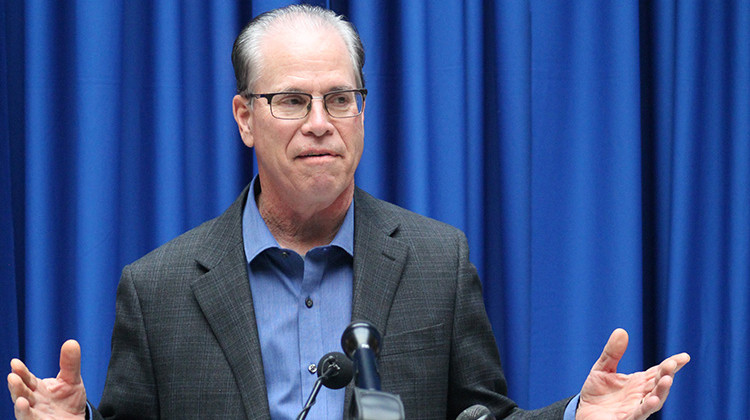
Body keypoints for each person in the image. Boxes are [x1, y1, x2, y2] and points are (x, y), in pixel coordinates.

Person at [7, 5, 690, 420]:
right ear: (245, 117)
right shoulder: (158, 288)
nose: (320, 124)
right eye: (293, 100)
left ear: (362, 110)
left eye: (341, 98)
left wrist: (577, 414)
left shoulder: (436, 262)